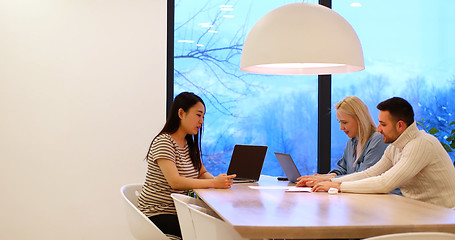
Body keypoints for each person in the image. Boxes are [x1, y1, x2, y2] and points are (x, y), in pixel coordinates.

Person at [312, 97, 455, 209]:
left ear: (400, 125)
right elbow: (369, 174)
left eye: (383, 124)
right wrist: (329, 181)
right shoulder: (395, 146)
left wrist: (338, 186)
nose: (378, 129)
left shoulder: (421, 144)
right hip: (418, 212)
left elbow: (385, 183)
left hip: (441, 218)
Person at [137, 92, 236, 238]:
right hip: (158, 213)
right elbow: (175, 182)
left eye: (203, 117)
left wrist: (219, 182)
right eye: (198, 115)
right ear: (181, 113)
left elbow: (201, 173)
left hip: (179, 210)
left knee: (223, 226)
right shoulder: (164, 142)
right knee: (216, 232)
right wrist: (214, 182)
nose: (201, 121)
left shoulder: (190, 144)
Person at [296, 96, 401, 194]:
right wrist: (321, 177)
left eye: (345, 122)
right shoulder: (352, 142)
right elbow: (342, 170)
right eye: (339, 122)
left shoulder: (378, 140)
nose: (341, 127)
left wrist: (327, 180)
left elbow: (364, 177)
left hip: (386, 201)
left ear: (359, 120)